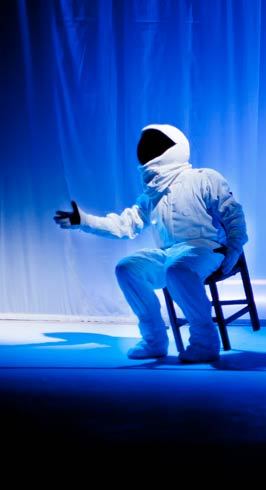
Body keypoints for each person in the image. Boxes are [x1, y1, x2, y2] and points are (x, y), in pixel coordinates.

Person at [53, 124, 248, 363]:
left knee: (178, 270)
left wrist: (235, 248)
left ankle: (205, 341)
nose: (147, 150)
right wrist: (84, 221)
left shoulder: (204, 178)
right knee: (127, 268)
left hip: (206, 248)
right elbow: (125, 225)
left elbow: (232, 214)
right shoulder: (151, 194)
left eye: (155, 145)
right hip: (170, 253)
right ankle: (154, 339)